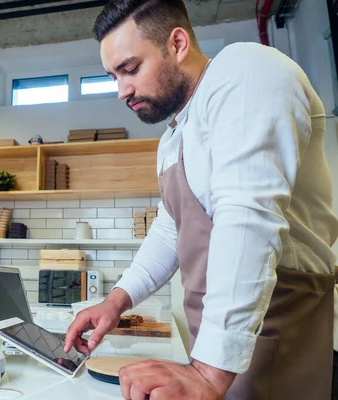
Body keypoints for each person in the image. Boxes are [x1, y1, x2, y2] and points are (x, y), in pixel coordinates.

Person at [63, 1, 338, 399]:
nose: (121, 90)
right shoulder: (174, 137)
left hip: (274, 324)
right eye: (113, 76)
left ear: (177, 44)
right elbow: (170, 230)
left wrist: (209, 372)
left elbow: (249, 216)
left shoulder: (246, 72)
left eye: (130, 68)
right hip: (217, 341)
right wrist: (115, 302)